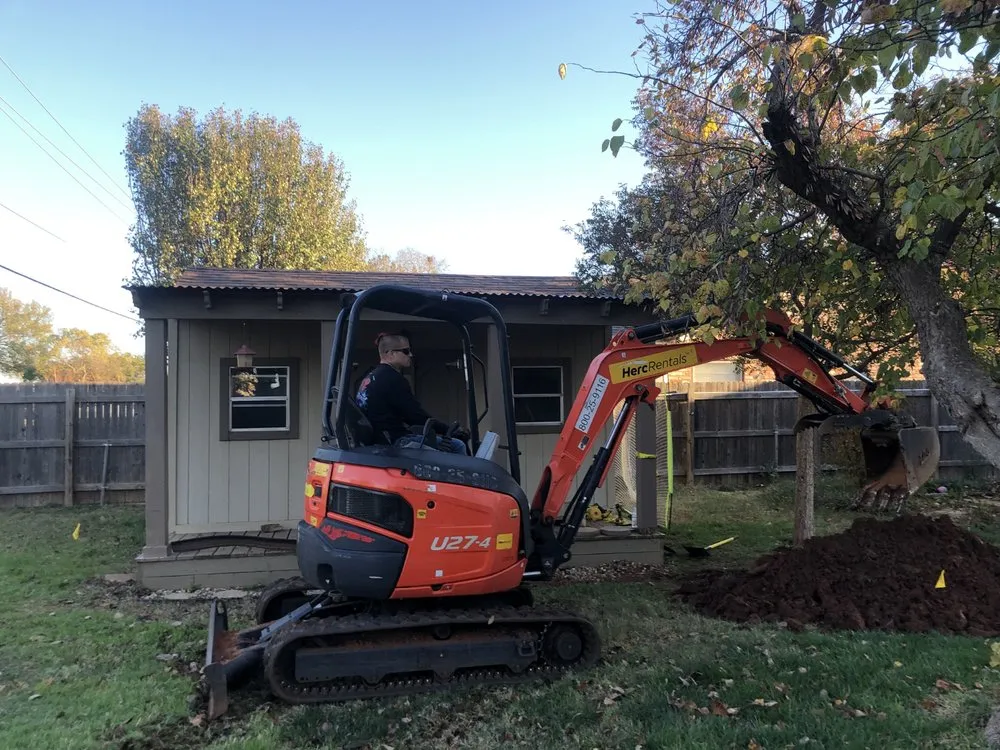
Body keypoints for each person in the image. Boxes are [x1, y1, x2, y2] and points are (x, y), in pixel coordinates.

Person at [355, 332, 469, 454]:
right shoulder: (393, 379)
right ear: (391, 353)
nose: (410, 354)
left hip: (380, 440)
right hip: (394, 442)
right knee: (458, 445)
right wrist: (449, 430)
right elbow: (415, 416)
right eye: (405, 351)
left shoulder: (371, 377)